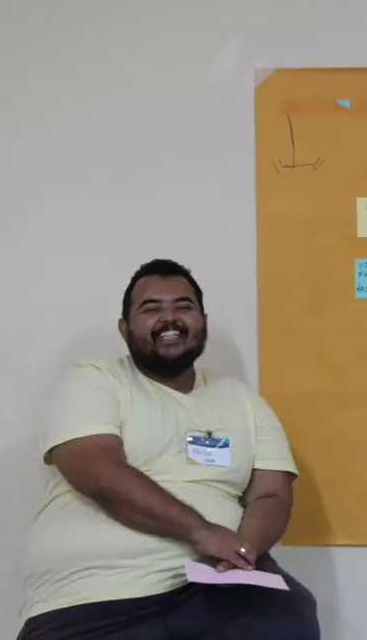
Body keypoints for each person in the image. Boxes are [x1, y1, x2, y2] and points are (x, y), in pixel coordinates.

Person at [16, 259, 319, 640]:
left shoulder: (242, 400)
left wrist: (245, 551)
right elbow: (97, 471)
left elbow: (272, 493)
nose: (169, 318)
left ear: (202, 321)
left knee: (288, 614)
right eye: (151, 308)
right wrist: (201, 532)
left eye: (183, 306)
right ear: (124, 327)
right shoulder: (94, 380)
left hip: (219, 589)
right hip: (97, 595)